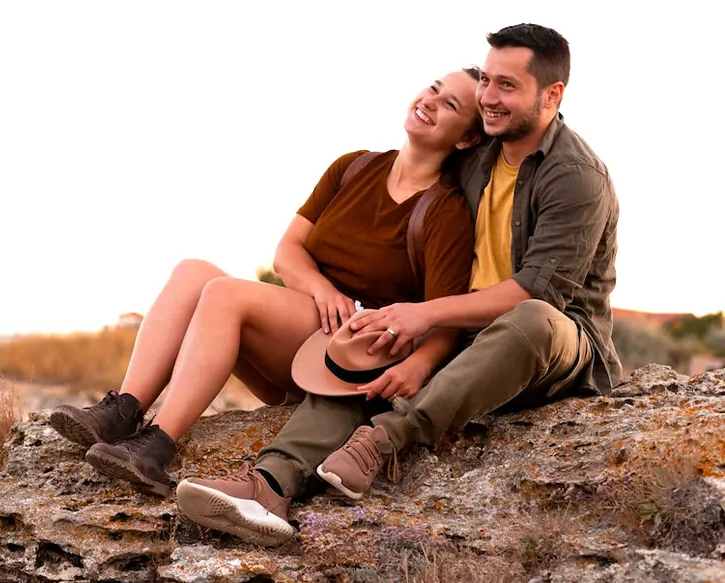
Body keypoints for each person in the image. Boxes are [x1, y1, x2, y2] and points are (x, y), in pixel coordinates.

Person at [176, 23, 621, 546]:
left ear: (552, 94)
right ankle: (269, 487)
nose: (489, 97)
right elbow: (417, 168)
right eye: (487, 82)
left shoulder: (575, 176)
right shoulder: (478, 155)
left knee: (526, 319)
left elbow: (536, 293)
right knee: (378, 338)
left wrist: (426, 314)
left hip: (553, 349)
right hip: (466, 335)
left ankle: (386, 439)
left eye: (507, 86)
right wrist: (386, 320)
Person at [47, 67, 485, 496]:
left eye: (449, 104)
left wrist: (417, 366)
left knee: (223, 292)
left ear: (465, 138)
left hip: (343, 362)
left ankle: (155, 447)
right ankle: (123, 411)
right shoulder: (355, 167)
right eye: (433, 87)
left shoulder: (445, 212)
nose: (429, 100)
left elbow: (442, 322)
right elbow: (289, 249)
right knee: (192, 271)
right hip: (294, 334)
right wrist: (320, 287)